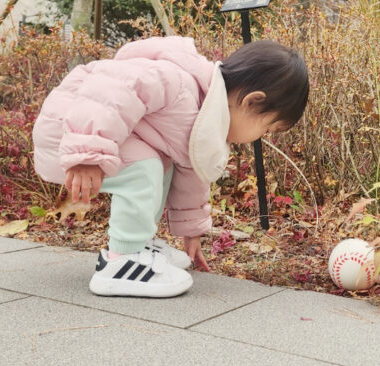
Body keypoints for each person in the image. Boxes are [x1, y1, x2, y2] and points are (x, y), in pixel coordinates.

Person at [32, 35, 308, 298]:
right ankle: (121, 261)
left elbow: (192, 177)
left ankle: (137, 246)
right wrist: (86, 152)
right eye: (268, 127)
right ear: (252, 101)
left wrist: (191, 231)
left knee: (162, 164)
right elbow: (111, 91)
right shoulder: (178, 84)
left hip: (93, 139)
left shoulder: (206, 115)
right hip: (71, 134)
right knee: (146, 167)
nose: (262, 136)